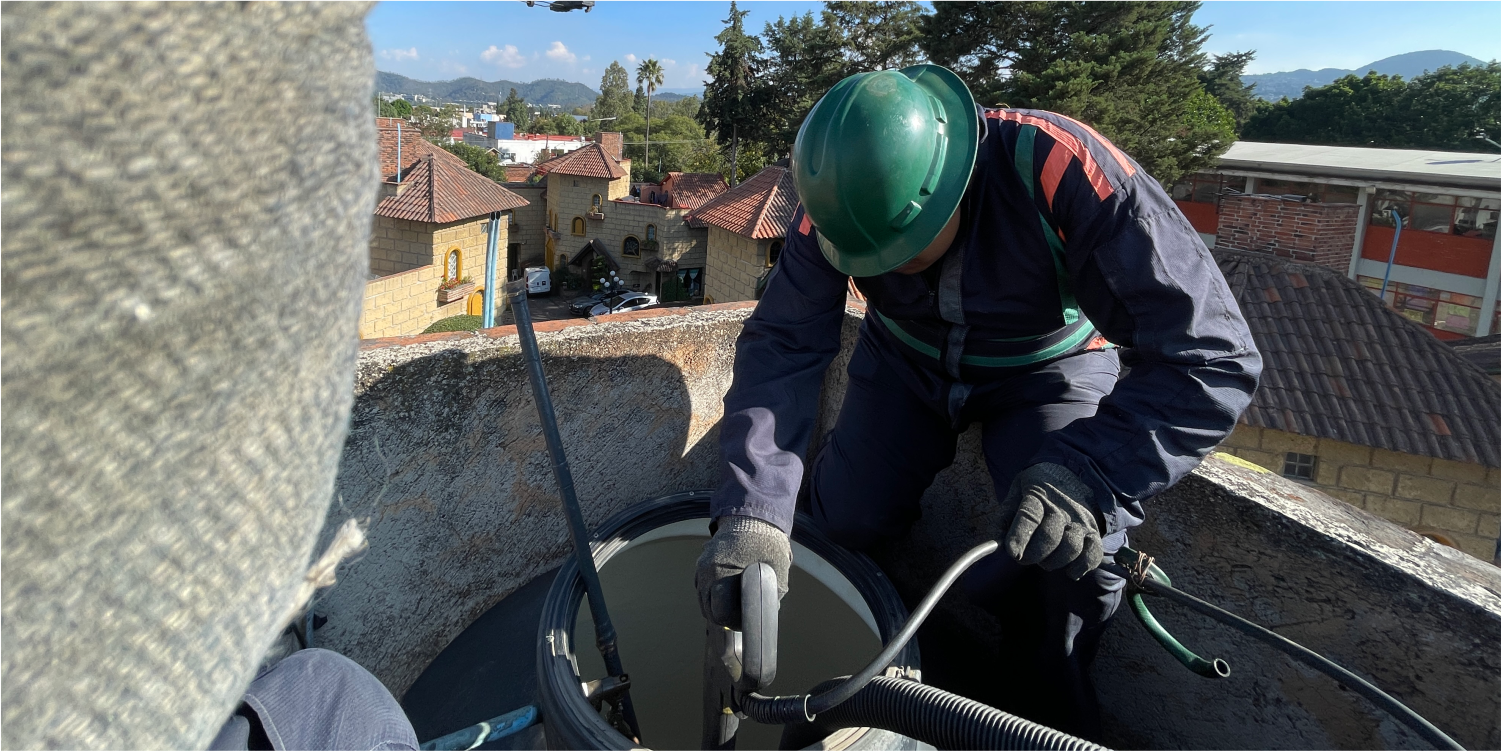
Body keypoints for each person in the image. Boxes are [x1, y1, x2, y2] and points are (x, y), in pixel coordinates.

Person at [695, 64, 1262, 737]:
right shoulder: (832, 205)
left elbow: (1212, 358)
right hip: (900, 359)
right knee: (841, 519)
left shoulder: (1060, 165)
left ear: (951, 185)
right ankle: (875, 679)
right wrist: (753, 513)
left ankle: (1036, 719)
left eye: (900, 252)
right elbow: (783, 344)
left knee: (1068, 563)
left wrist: (1092, 472)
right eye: (862, 261)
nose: (878, 269)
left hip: (1047, 366)